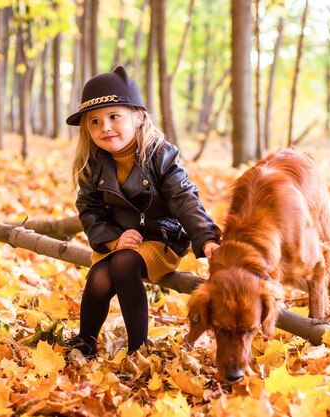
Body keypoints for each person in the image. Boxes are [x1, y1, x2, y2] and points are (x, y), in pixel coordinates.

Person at [66, 66, 221, 357]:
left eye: (114, 117)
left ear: (138, 116)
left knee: (124, 264)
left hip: (162, 238)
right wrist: (112, 239)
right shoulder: (93, 162)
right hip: (120, 240)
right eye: (95, 122)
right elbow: (89, 210)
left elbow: (184, 198)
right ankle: (86, 340)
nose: (105, 128)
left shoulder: (161, 154)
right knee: (100, 273)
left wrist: (206, 236)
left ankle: (138, 349)